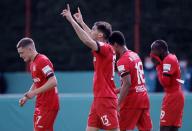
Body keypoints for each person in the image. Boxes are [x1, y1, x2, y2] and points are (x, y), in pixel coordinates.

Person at [61, 4, 119, 131]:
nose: (91, 30)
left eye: (93, 29)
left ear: (100, 36)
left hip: (106, 99)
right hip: (99, 99)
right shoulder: (104, 47)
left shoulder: (106, 48)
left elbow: (87, 40)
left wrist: (71, 20)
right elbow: (90, 36)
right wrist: (81, 22)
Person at [109, 31, 152, 131]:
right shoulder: (135, 55)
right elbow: (134, 83)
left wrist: (117, 104)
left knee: (121, 128)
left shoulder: (122, 61)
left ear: (115, 44)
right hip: (144, 97)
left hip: (132, 101)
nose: (111, 50)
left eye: (110, 46)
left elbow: (127, 84)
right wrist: (115, 90)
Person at [17, 38, 59, 131]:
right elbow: (36, 82)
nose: (20, 56)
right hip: (40, 104)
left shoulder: (42, 60)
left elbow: (53, 81)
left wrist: (34, 93)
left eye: (21, 52)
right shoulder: (32, 63)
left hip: (48, 105)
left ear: (30, 49)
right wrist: (27, 97)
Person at [150, 40, 184, 131]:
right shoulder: (169, 58)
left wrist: (158, 66)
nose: (152, 53)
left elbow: (165, 82)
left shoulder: (168, 60)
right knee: (172, 128)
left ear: (161, 50)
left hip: (173, 96)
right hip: (174, 94)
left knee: (164, 127)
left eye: (154, 50)